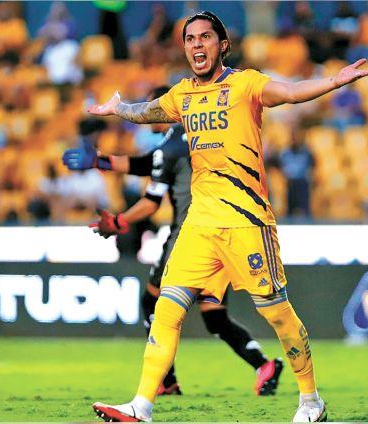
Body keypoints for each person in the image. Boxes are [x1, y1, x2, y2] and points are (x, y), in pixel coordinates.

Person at [84, 11, 368, 422]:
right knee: (167, 309)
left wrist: (333, 81)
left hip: (246, 221)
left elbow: (290, 92)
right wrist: (119, 108)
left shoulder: (245, 84)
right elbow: (150, 112)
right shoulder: (182, 94)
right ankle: (141, 406)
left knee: (276, 313)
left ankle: (311, 401)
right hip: (199, 223)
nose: (196, 45)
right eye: (190, 39)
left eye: (205, 37)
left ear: (223, 45)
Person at [64, 86, 284, 398]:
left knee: (152, 303)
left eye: (151, 107)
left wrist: (119, 221)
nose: (146, 114)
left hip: (188, 237)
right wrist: (103, 162)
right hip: (223, 235)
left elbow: (151, 200)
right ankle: (264, 365)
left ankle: (165, 380)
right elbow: (151, 163)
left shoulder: (170, 145)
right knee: (214, 315)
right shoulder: (197, 136)